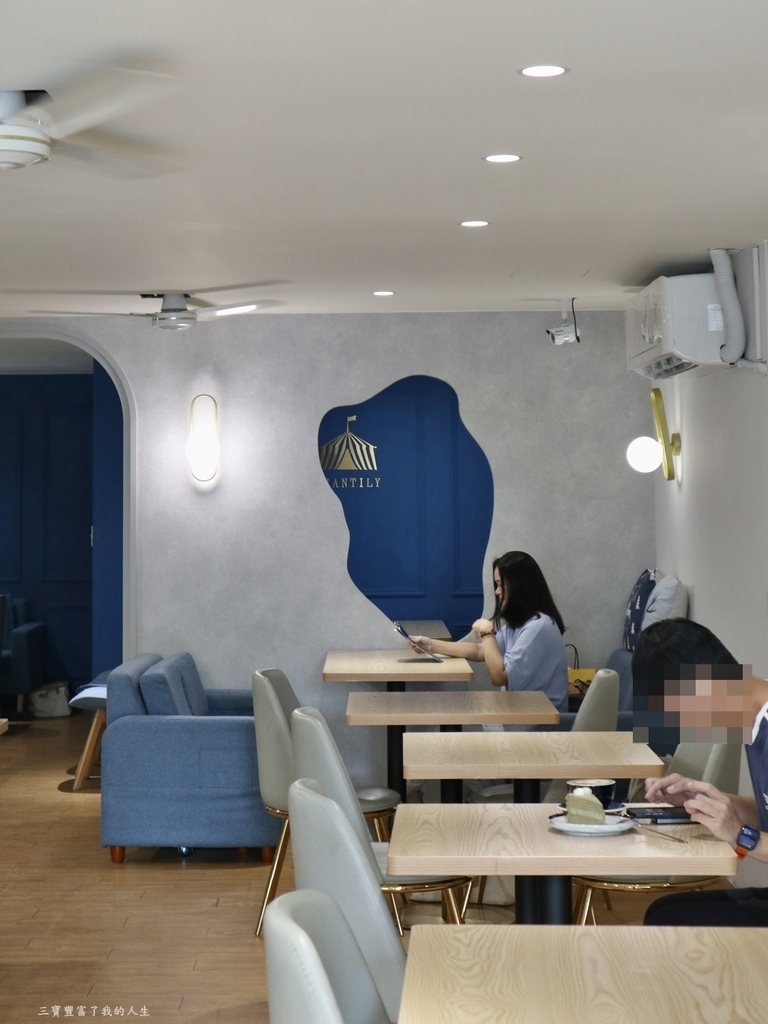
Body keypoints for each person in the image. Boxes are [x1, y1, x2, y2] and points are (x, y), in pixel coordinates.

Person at [633, 617, 768, 927]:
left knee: (669, 920)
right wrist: (703, 800)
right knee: (661, 911)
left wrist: (740, 836)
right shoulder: (754, 721)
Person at [410, 550, 568, 712]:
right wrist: (430, 645)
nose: (497, 592)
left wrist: (487, 632)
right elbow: (480, 650)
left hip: (539, 720)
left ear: (520, 586)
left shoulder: (538, 626)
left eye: (501, 585)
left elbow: (499, 676)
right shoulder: (521, 623)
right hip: (519, 712)